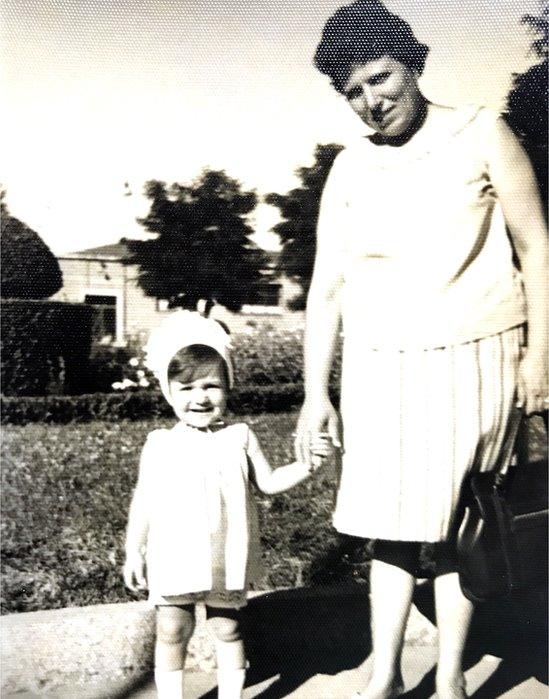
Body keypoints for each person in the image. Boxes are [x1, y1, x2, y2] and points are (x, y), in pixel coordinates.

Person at [295, 1, 548, 697]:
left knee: (456, 523)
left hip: (478, 356)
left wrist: (539, 357)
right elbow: (326, 289)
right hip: (381, 367)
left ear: (412, 62)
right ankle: (382, 675)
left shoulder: (482, 133)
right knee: (389, 525)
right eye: (352, 92)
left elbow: (535, 248)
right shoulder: (347, 168)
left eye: (379, 78)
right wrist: (317, 393)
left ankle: (448, 678)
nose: (370, 102)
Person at [123, 311, 332, 699]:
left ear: (228, 388)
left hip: (225, 556)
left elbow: (268, 483)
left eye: (211, 386)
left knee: (227, 628)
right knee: (172, 629)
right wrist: (133, 550)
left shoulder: (239, 436)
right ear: (169, 392)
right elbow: (144, 500)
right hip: (174, 555)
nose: (200, 397)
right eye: (185, 388)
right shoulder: (160, 444)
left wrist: (306, 465)